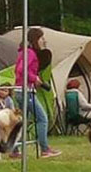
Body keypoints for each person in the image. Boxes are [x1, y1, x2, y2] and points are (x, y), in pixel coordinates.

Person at [14, 27, 60, 158]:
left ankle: (15, 150)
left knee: (22, 121)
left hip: (21, 90)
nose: (44, 40)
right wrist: (35, 79)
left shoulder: (24, 52)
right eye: (41, 38)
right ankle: (45, 148)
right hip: (25, 91)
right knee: (42, 118)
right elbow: (21, 70)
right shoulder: (30, 53)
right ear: (36, 39)